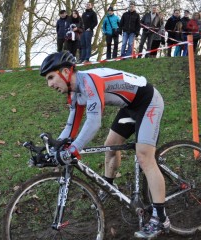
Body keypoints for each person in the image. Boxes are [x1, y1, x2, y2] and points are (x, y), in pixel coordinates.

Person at [40, 51, 170, 239]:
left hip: (148, 101)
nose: (50, 84)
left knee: (144, 156)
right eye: (47, 80)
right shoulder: (76, 92)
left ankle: (160, 217)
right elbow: (71, 126)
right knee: (110, 146)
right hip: (130, 106)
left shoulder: (89, 82)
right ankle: (108, 187)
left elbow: (94, 122)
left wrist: (73, 149)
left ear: (67, 72)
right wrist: (55, 148)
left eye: (51, 77)